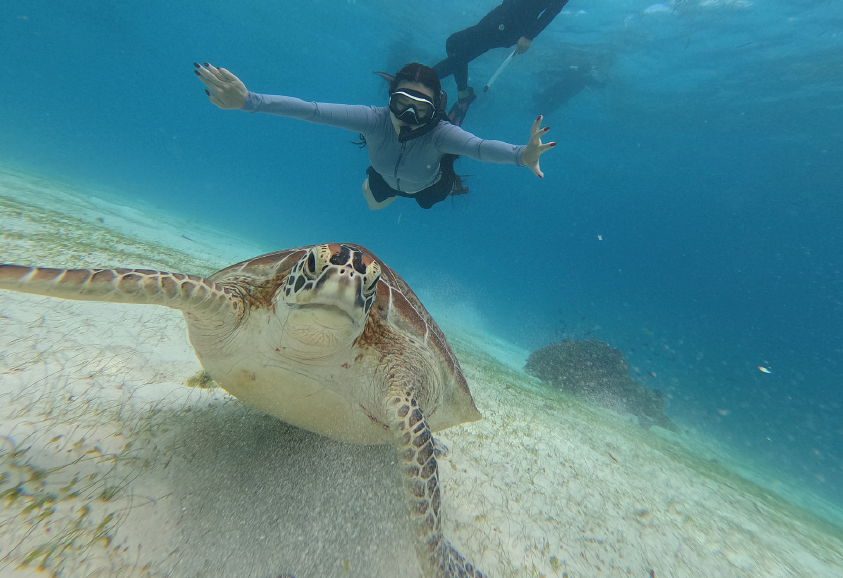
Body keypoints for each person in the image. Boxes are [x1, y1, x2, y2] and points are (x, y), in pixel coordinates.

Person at [194, 62, 555, 210]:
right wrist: (249, 101)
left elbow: (478, 147)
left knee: (432, 189)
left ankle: (460, 107)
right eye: (402, 104)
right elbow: (312, 110)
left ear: (433, 110)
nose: (409, 117)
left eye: (420, 109)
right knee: (373, 201)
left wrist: (521, 155)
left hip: (431, 185)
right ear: (389, 99)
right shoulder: (374, 120)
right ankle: (457, 107)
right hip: (384, 177)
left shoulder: (440, 134)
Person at [433, 0, 570, 125]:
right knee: (455, 45)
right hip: (500, 14)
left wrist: (529, 36)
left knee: (458, 49)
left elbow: (554, 9)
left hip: (511, 25)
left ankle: (426, 80)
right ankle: (461, 94)